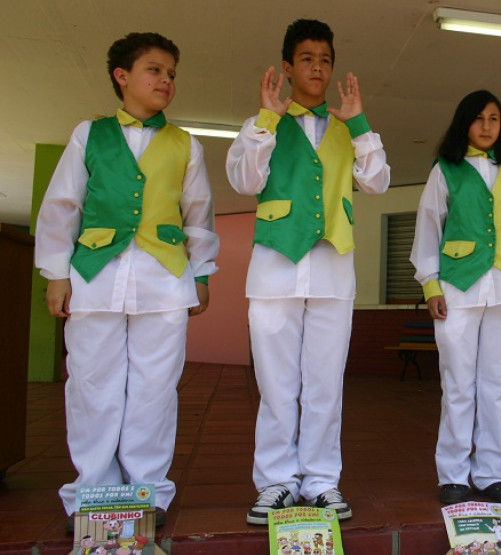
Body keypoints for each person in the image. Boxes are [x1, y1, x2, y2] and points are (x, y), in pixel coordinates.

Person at [35, 32, 218, 527]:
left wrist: (201, 271)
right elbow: (62, 205)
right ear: (122, 76)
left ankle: (146, 491)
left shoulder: (186, 143)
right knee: (91, 385)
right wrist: (56, 272)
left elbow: (198, 214)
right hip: (95, 276)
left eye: (171, 73)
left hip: (165, 279)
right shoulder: (88, 134)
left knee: (155, 389)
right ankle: (92, 491)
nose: (166, 80)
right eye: (154, 70)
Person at [226, 18, 390, 524]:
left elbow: (378, 182)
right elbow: (243, 180)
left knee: (325, 383)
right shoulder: (263, 124)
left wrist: (360, 125)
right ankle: (276, 481)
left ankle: (320, 480)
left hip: (332, 271)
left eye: (325, 60)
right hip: (274, 269)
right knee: (276, 384)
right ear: (287, 67)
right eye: (306, 59)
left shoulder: (348, 128)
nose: (317, 68)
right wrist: (266, 121)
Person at [410, 90, 501, 505]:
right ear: (464, 122)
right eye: (479, 118)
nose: (487, 126)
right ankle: (453, 474)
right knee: (458, 383)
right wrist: (431, 285)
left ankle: (491, 473)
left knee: (499, 384)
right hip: (457, 287)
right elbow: (428, 228)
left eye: (494, 119)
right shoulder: (445, 169)